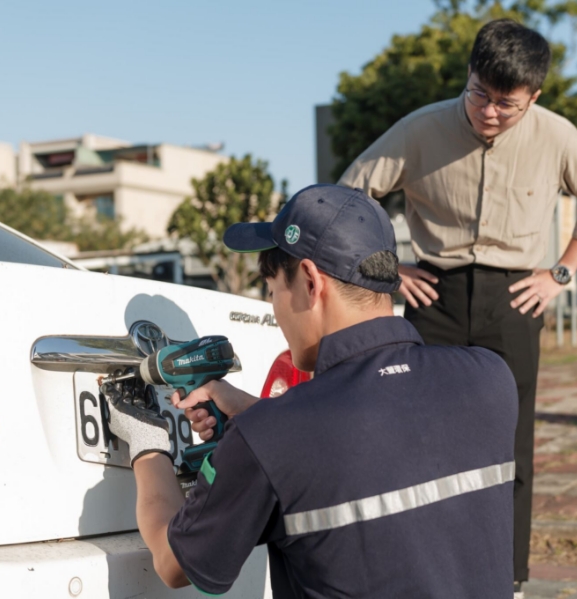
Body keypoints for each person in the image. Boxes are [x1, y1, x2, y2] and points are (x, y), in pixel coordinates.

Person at [103, 184, 520, 598]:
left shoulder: (273, 438)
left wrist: (149, 443)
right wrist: (256, 416)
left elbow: (173, 563)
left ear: (309, 281)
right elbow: (385, 435)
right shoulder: (488, 378)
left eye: (271, 292)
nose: (275, 310)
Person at [336, 19, 577, 592]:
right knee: (419, 439)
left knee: (509, 444)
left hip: (514, 299)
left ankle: (507, 579)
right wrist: (389, 272)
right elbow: (351, 192)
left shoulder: (556, 135)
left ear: (533, 97)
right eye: (480, 94)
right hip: (434, 296)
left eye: (507, 104)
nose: (489, 111)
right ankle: (428, 574)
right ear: (468, 75)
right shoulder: (419, 130)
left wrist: (560, 273)